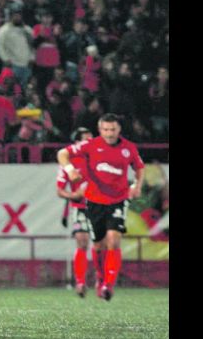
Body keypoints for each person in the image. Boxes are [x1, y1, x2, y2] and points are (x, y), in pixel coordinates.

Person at [57, 113, 144, 301]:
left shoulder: (128, 148)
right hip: (94, 202)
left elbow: (139, 167)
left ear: (119, 129)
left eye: (113, 129)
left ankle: (108, 285)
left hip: (118, 200)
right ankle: (99, 277)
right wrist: (70, 171)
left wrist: (137, 186)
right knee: (97, 245)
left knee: (113, 239)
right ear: (100, 130)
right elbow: (62, 154)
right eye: (106, 129)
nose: (110, 133)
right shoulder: (90, 146)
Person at [55, 127, 95, 297]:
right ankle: (80, 282)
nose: (90, 143)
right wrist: (74, 195)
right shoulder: (69, 163)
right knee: (82, 242)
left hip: (101, 207)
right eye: (86, 140)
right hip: (80, 208)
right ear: (77, 143)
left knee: (103, 244)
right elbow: (59, 190)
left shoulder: (101, 159)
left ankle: (103, 281)